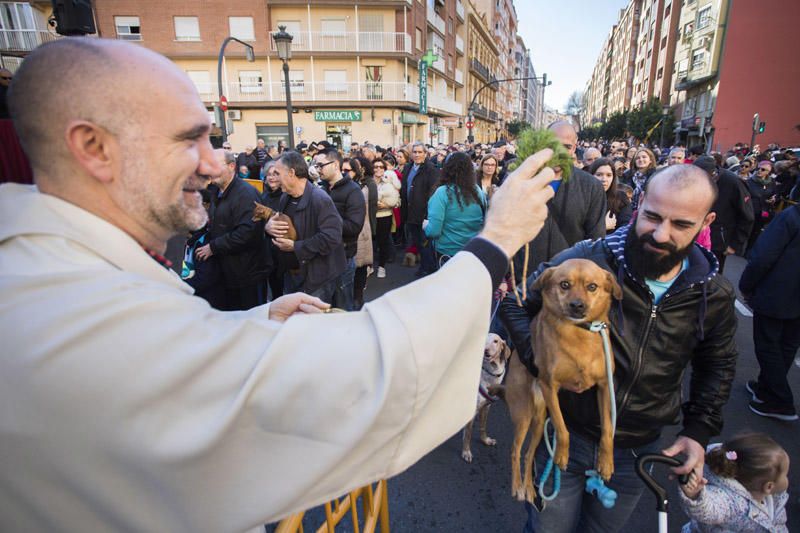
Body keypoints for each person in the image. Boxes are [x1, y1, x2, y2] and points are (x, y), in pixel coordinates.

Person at [1, 37, 561, 532]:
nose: (213, 162)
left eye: (212, 139)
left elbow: (175, 349)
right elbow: (369, 370)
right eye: (188, 139)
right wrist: (497, 239)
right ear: (94, 148)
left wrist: (252, 322)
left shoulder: (50, 261)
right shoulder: (65, 314)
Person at [501, 165, 738, 533]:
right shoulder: (590, 258)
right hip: (569, 436)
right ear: (640, 202)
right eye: (653, 216)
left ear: (706, 222)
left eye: (681, 224)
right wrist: (538, 363)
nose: (661, 234)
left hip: (635, 452)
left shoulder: (712, 292)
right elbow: (514, 302)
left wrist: (697, 431)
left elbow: (718, 364)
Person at [510, 121, 607, 284]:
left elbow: (596, 242)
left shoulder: (591, 187)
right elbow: (505, 228)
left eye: (566, 147)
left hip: (569, 288)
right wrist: (507, 274)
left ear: (574, 149)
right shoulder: (520, 180)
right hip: (523, 283)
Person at [739, 203, 800, 421]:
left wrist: (747, 284)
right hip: (789, 294)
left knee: (769, 345)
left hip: (778, 290)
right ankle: (767, 387)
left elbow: (764, 256)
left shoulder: (790, 217)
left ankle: (780, 399)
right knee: (786, 344)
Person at [266, 151, 346, 303]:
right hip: (292, 275)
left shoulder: (320, 199)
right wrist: (268, 228)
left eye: (278, 173)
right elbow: (283, 227)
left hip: (316, 279)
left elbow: (332, 237)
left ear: (291, 173)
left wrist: (296, 247)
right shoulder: (285, 198)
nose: (273, 179)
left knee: (312, 325)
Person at [195, 149, 268, 310]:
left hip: (247, 275)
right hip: (227, 274)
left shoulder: (246, 194)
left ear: (231, 166)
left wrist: (213, 247)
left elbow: (248, 233)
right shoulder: (217, 192)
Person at [678, 433, 789, 532]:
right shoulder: (732, 503)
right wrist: (695, 496)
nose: (787, 478)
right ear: (769, 486)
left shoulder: (774, 496)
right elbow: (709, 509)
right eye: (785, 475)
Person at [315, 148, 365, 311]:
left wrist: (327, 221)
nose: (318, 169)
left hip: (343, 257)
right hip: (321, 256)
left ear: (335, 164)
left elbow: (354, 227)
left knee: (343, 308)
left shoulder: (353, 190)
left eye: (320, 165)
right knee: (321, 308)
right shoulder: (320, 189)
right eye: (316, 166)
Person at [424, 152, 487, 267]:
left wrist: (425, 226)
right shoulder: (477, 190)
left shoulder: (442, 192)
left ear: (447, 169)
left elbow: (433, 231)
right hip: (473, 250)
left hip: (447, 253)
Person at [692, 156, 754, 273]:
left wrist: (735, 244)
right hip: (695, 235)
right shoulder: (695, 180)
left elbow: (747, 216)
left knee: (712, 273)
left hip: (719, 240)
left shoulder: (733, 182)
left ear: (713, 174)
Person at [401, 141, 440, 276]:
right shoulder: (407, 168)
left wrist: (427, 214)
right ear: (411, 154)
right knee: (417, 242)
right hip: (410, 212)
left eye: (420, 152)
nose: (417, 155)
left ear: (425, 154)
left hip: (424, 213)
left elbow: (433, 193)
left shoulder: (431, 170)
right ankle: (425, 267)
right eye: (414, 152)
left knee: (425, 244)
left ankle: (428, 269)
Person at [351, 157, 377, 310]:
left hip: (363, 230)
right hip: (352, 232)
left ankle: (357, 299)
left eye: (350, 170)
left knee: (360, 266)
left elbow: (371, 209)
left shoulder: (367, 186)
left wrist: (373, 231)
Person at [372, 158, 401, 279]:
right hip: (370, 216)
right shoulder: (368, 182)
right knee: (370, 242)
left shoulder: (389, 182)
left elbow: (398, 201)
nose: (378, 169)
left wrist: (389, 204)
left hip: (385, 216)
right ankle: (368, 265)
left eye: (381, 167)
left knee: (383, 242)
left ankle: (382, 267)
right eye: (376, 166)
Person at [588, 157, 632, 233]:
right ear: (591, 175)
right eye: (599, 175)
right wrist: (603, 226)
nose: (604, 179)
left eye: (609, 175)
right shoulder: (582, 198)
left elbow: (625, 228)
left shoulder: (621, 197)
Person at [261, 161, 285, 300]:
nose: (271, 177)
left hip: (285, 254)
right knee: (275, 292)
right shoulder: (263, 197)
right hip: (269, 254)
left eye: (275, 174)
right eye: (268, 174)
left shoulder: (287, 196)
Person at [744, 161, 778, 254]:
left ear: (768, 172)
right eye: (758, 168)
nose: (759, 171)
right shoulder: (749, 181)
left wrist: (773, 198)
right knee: (747, 229)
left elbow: (775, 193)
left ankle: (748, 250)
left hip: (763, 211)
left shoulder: (772, 182)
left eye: (763, 169)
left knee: (756, 231)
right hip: (750, 209)